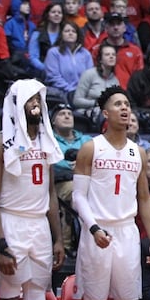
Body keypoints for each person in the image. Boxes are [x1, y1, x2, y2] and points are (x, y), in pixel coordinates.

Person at [72, 86, 150, 300]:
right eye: (118, 104)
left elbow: (144, 198)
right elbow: (78, 197)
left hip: (127, 231)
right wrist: (93, 228)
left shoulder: (139, 152)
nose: (125, 109)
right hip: (97, 229)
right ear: (105, 113)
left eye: (127, 105)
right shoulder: (91, 148)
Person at [0, 80, 65, 300]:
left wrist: (58, 237)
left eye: (38, 99)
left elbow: (50, 192)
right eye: (30, 99)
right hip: (11, 222)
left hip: (39, 225)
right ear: (16, 105)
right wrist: (1, 243)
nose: (35, 104)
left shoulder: (46, 141)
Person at [50, 103, 92, 253]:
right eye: (62, 114)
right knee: (75, 194)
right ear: (53, 121)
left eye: (69, 113)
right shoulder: (49, 140)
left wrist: (81, 166)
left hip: (89, 181)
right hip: (60, 184)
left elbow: (98, 159)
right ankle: (67, 245)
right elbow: (51, 162)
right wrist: (79, 166)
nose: (67, 116)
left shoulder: (86, 139)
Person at [44, 21, 93, 103]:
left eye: (73, 31)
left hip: (83, 95)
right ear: (61, 34)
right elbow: (53, 77)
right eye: (67, 31)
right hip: (60, 94)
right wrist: (71, 90)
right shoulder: (54, 52)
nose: (70, 33)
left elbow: (90, 76)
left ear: (78, 35)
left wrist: (82, 92)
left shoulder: (85, 53)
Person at [74, 44, 120, 117]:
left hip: (107, 114)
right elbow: (77, 101)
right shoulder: (89, 74)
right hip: (86, 114)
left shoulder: (115, 80)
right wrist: (96, 103)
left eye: (113, 55)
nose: (111, 57)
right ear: (100, 59)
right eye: (107, 54)